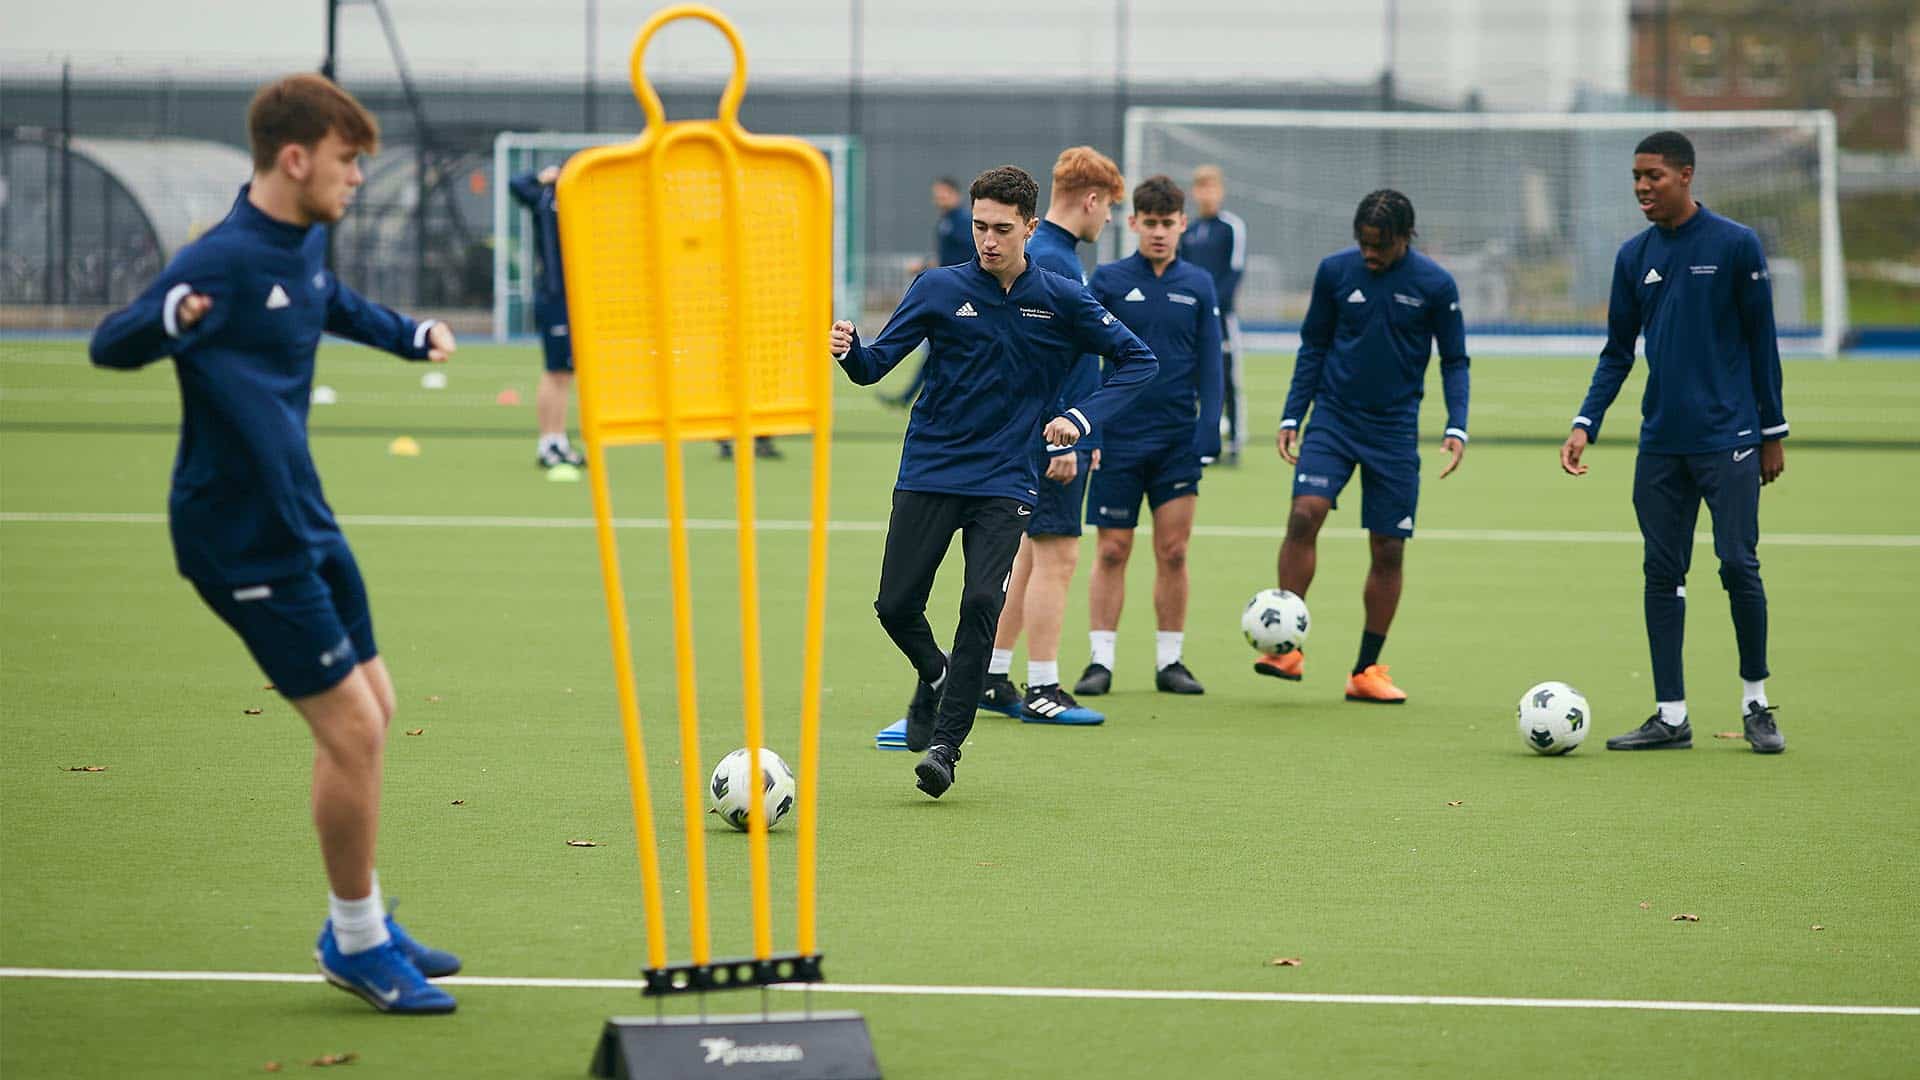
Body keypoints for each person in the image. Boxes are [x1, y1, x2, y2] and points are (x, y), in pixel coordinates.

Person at [88, 73, 462, 1014]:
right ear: (295, 159)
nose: (359, 180)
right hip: (239, 533)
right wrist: (170, 319)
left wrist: (409, 334)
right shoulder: (220, 259)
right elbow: (112, 340)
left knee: (377, 702)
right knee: (354, 729)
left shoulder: (297, 246)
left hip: (302, 513)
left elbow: (328, 301)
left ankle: (362, 916)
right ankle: (358, 942)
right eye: (348, 162)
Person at [830, 165, 1158, 798]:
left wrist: (1080, 418)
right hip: (930, 466)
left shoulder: (1062, 296)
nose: (987, 240)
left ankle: (947, 747)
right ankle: (937, 675)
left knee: (983, 600)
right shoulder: (936, 288)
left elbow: (1137, 361)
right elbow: (875, 369)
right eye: (980, 226)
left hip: (1006, 476)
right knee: (894, 605)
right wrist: (849, 350)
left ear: (1030, 229)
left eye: (1002, 229)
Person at [1560, 130, 1787, 754]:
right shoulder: (1634, 256)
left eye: (1653, 176)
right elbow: (1616, 353)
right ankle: (1671, 715)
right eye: (1636, 176)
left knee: (1739, 565)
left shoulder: (1737, 245)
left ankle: (1756, 704)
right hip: (1661, 443)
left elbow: (1762, 343)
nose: (1641, 187)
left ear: (1686, 175)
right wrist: (1586, 422)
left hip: (1731, 440)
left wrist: (1772, 433)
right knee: (1662, 574)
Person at [1269, 189, 1469, 704]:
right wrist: (1294, 412)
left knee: (1388, 546)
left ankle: (1366, 670)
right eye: (1363, 242)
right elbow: (1314, 343)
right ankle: (1285, 644)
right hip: (1333, 419)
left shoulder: (1435, 284)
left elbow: (1454, 360)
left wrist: (1457, 424)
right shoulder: (1335, 272)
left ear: (1406, 238)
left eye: (1380, 245)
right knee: (1303, 514)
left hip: (1394, 430)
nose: (1369, 254)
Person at [978, 146, 1125, 727]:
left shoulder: (1052, 255)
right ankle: (1042, 687)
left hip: (1037, 432)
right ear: (1091, 201)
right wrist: (1068, 440)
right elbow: (1043, 362)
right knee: (1060, 557)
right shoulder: (1055, 262)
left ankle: (993, 673)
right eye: (1109, 207)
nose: (1109, 219)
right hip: (1051, 435)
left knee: (1035, 556)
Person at [1075, 175, 1223, 697]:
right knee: (1112, 549)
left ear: (1183, 224)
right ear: (1134, 223)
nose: (1159, 233)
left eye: (1169, 224)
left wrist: (1210, 428)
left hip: (1177, 440)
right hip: (1118, 438)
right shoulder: (1109, 280)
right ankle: (1100, 660)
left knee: (1174, 551)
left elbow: (1211, 362)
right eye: (1150, 224)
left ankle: (1170, 660)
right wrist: (1088, 428)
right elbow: (1085, 356)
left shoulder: (1200, 285)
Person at [507, 164, 585, 469]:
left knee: (565, 372)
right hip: (554, 296)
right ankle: (547, 442)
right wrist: (543, 176)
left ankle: (559, 439)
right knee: (555, 371)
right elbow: (516, 183)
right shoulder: (545, 198)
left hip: (574, 297)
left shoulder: (583, 205)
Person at [882, 177, 977, 408]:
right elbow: (944, 258)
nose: (938, 198)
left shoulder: (964, 221)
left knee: (942, 348)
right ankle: (910, 398)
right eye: (936, 194)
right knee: (936, 349)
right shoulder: (945, 222)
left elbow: (970, 255)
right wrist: (925, 265)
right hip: (948, 293)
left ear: (955, 194)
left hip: (963, 296)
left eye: (943, 193)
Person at [1178, 166, 1247, 463]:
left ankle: (1234, 442)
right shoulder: (1189, 231)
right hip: (1191, 319)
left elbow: (1235, 270)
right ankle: (1201, 440)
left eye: (1212, 187)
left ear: (1221, 190)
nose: (1206, 193)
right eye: (1201, 187)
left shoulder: (1231, 227)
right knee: (1191, 377)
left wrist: (1212, 306)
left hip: (1222, 319)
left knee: (1227, 377)